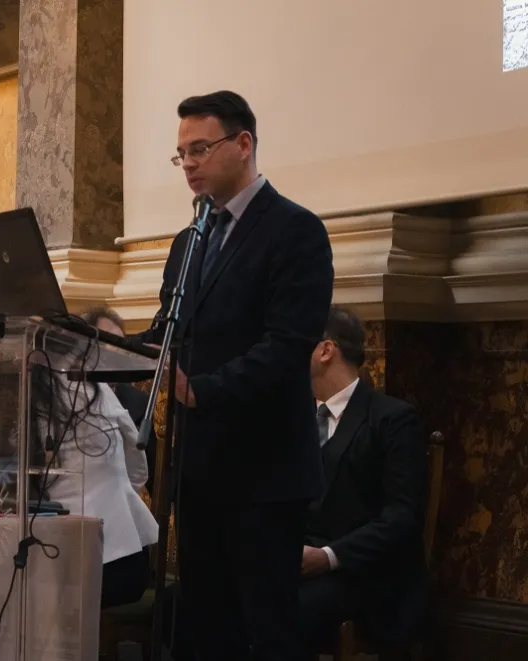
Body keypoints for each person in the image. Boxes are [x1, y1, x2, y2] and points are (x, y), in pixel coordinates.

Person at [138, 91, 334, 661]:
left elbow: (287, 346)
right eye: (181, 154)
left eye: (200, 148)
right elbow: (165, 330)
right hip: (198, 470)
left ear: (243, 143)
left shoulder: (295, 230)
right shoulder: (188, 241)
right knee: (204, 630)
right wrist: (91, 347)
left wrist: (202, 391)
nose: (189, 163)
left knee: (267, 632)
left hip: (265, 474)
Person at [301, 306, 428, 653]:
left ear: (326, 350)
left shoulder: (394, 419)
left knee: (278, 612)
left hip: (364, 574)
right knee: (197, 600)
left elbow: (402, 516)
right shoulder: (294, 418)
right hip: (296, 565)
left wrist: (327, 556)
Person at [30, 362, 158, 609]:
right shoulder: (95, 389)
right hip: (121, 555)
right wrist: (118, 494)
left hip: (52, 559)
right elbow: (138, 464)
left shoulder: (22, 393)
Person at [82, 305, 158, 494]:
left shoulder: (142, 404)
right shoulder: (72, 398)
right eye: (108, 343)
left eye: (120, 345)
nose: (116, 352)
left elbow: (153, 476)